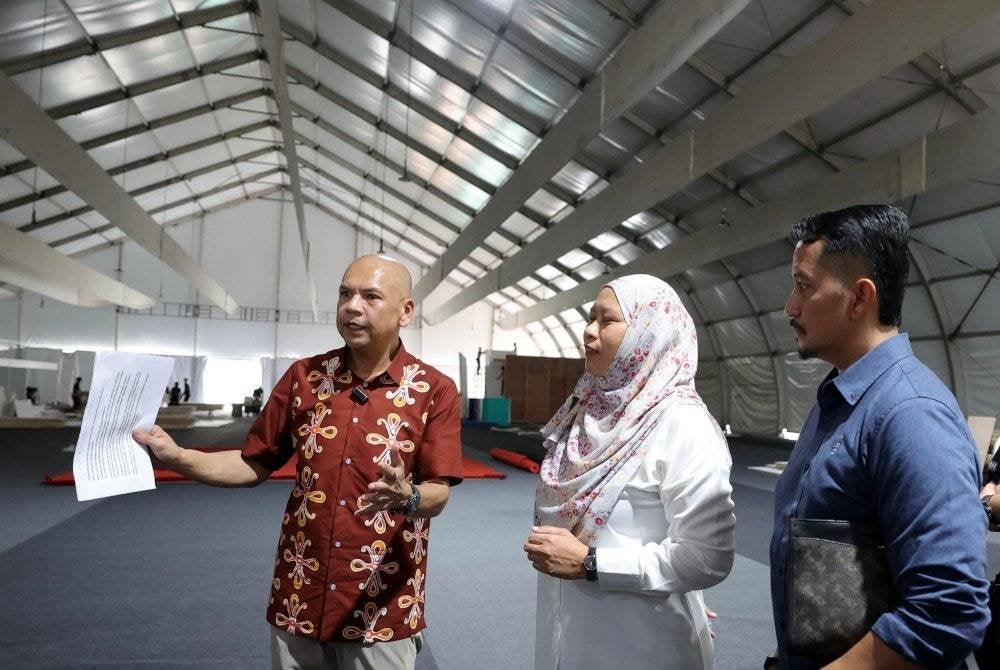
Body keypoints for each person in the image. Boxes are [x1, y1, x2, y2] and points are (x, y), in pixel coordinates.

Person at [133, 254, 463, 670]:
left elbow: (439, 492)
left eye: (371, 296)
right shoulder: (305, 378)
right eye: (345, 294)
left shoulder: (433, 390)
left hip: (380, 603)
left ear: (406, 311)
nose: (352, 307)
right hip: (300, 594)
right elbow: (252, 463)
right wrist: (178, 457)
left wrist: (408, 496)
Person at [768, 205, 989, 669]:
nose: (790, 306)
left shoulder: (911, 415)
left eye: (804, 287)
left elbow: (949, 609)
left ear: (859, 298)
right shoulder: (840, 399)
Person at [525, 274, 736, 670]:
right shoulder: (588, 413)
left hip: (641, 650)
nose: (588, 331)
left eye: (607, 320)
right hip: (567, 639)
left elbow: (708, 556)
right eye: (590, 318)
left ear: (648, 332)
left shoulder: (682, 425)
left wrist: (593, 564)